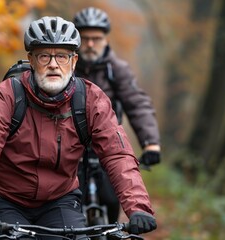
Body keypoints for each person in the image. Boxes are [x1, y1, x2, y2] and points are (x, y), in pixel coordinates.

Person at [0, 16, 157, 238]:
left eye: (62, 56)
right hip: (9, 201)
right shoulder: (7, 95)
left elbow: (118, 155)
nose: (53, 64)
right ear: (32, 60)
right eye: (44, 56)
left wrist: (138, 207)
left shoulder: (90, 99)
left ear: (74, 61)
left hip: (60, 199)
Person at [73, 7, 162, 224]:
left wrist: (151, 144)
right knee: (69, 202)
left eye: (96, 38)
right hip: (71, 145)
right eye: (85, 39)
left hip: (107, 144)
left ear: (105, 39)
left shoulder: (117, 68)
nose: (90, 44)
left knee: (113, 200)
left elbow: (137, 104)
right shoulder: (66, 66)